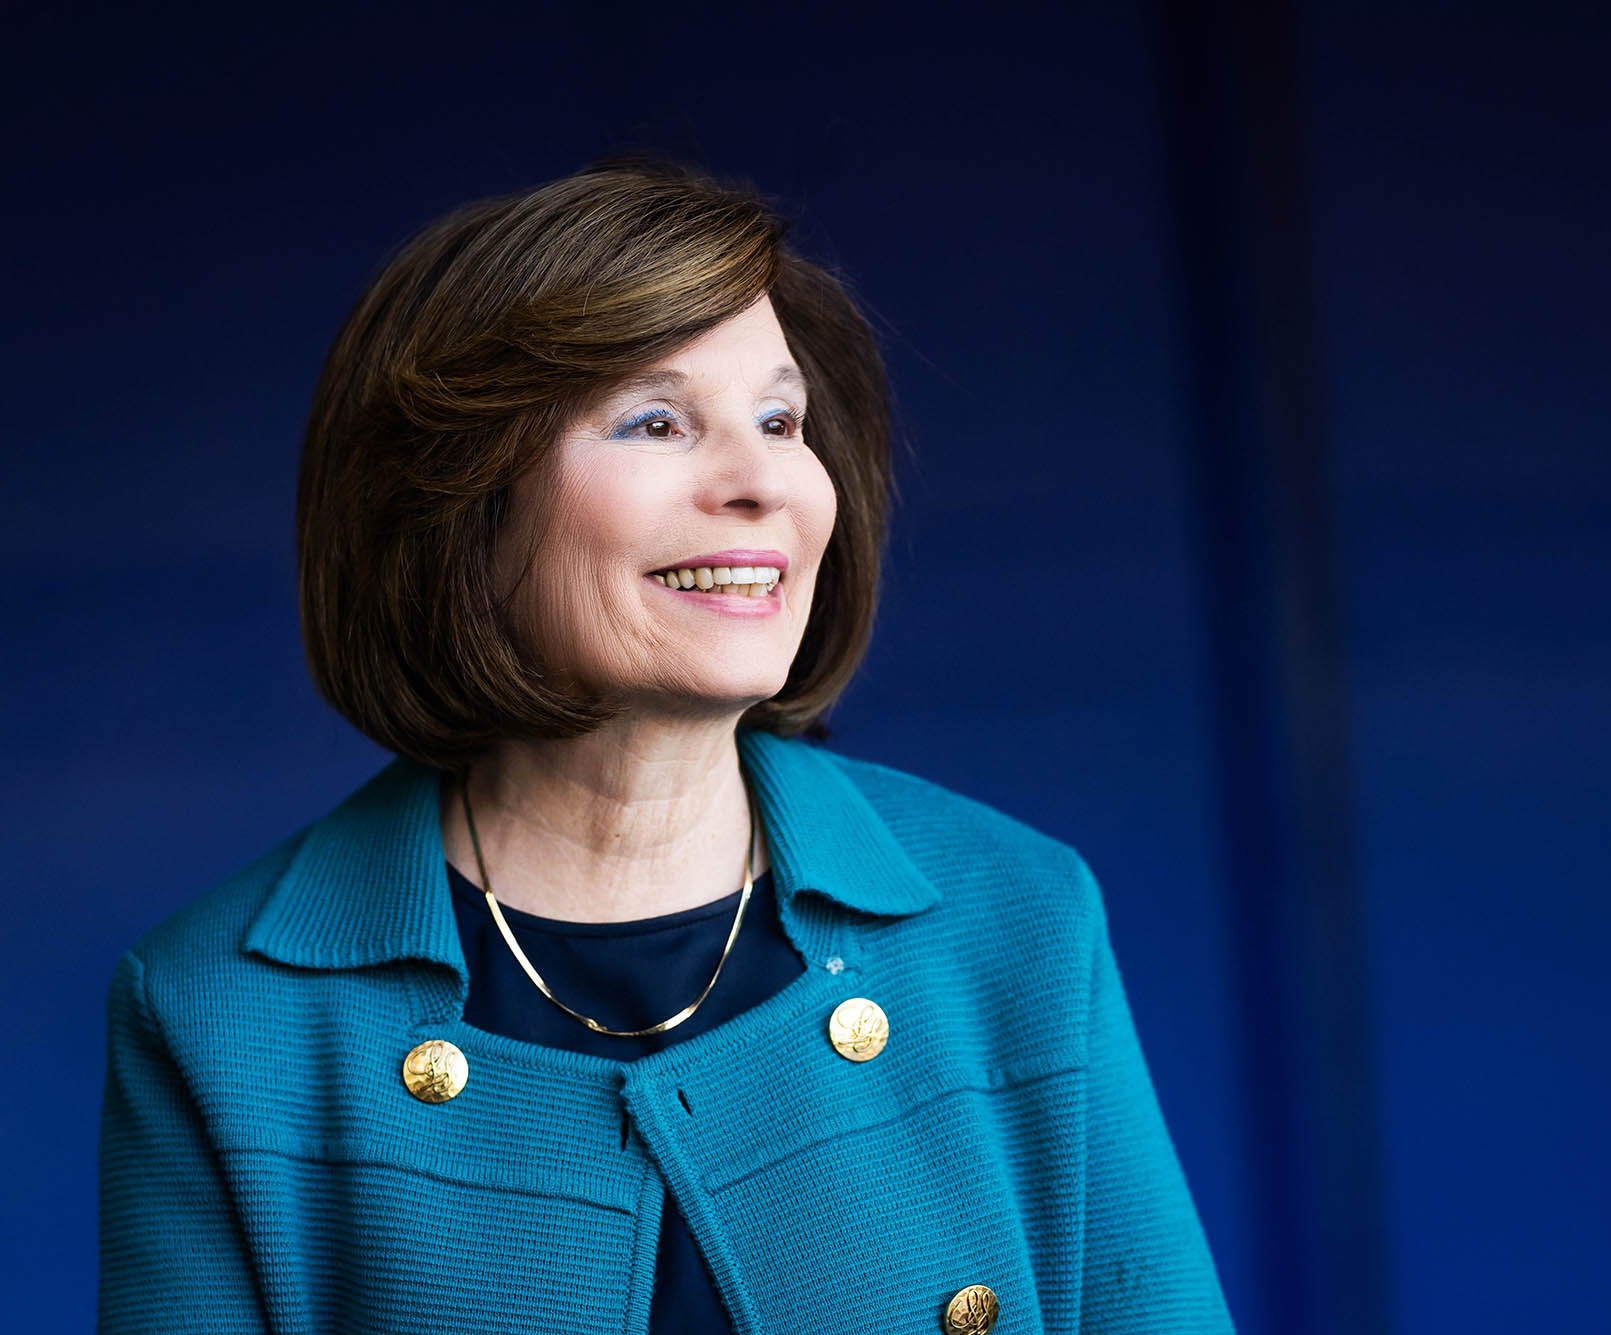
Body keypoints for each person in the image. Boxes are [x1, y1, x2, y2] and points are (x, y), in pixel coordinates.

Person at [96, 156, 1234, 1335]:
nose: (761, 483)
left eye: (780, 420)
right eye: (656, 421)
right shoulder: (216, 1008)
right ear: (457, 507)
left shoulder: (1017, 917)